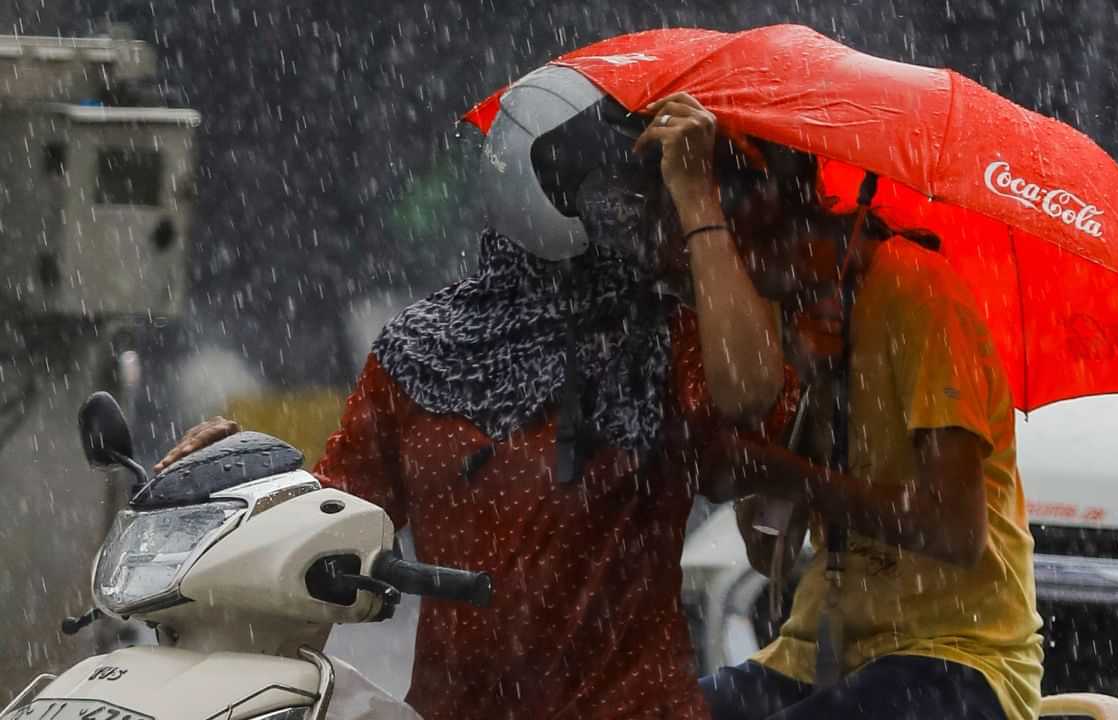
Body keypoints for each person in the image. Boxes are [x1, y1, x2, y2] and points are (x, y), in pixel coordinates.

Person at [154, 89, 797, 720]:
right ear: (545, 192)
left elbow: (752, 393)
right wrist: (245, 483)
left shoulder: (665, 337)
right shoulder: (417, 351)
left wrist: (700, 199)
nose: (641, 209)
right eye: (618, 188)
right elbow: (333, 520)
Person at [698, 151, 1043, 720]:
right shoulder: (784, 322)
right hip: (816, 653)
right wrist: (765, 423)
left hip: (953, 658)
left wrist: (786, 473)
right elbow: (770, 558)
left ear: (771, 221)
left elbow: (956, 530)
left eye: (734, 255)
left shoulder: (917, 293)